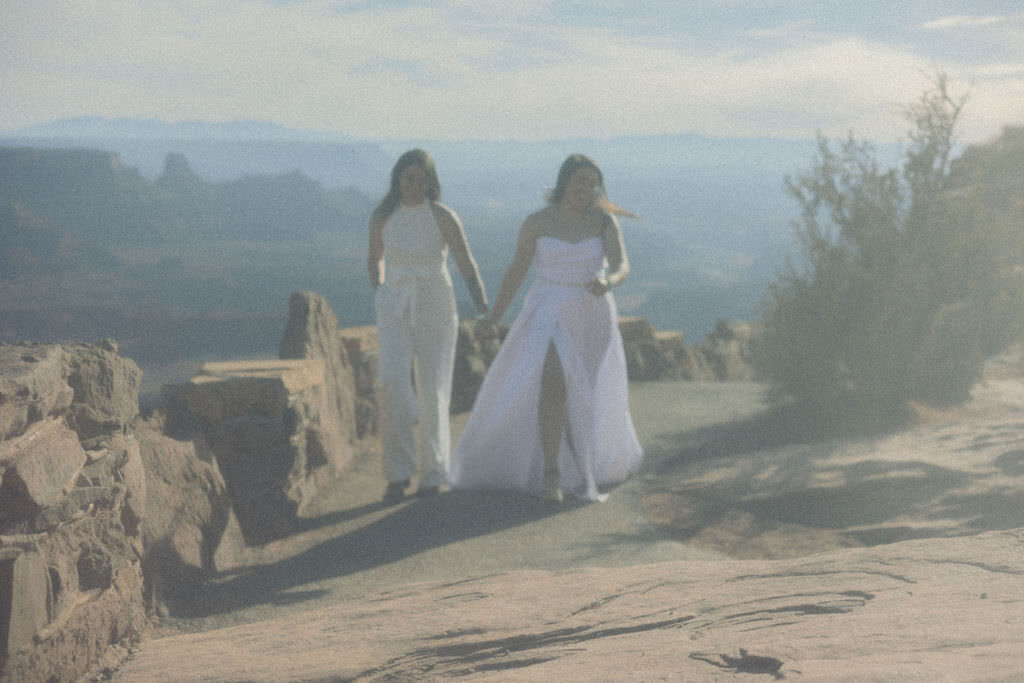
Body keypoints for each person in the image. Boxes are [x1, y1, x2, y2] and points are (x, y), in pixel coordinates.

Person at [450, 154, 642, 502]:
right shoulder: (537, 222)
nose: (586, 188)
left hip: (591, 311)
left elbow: (622, 263)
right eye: (579, 180)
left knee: (582, 390)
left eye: (592, 182)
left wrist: (609, 280)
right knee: (553, 382)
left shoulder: (603, 221)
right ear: (563, 182)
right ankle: (551, 471)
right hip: (547, 308)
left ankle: (581, 463)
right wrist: (495, 316)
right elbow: (517, 270)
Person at [369, 149, 489, 503]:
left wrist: (483, 308)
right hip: (395, 303)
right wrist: (380, 293)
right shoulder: (383, 216)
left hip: (435, 300)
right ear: (398, 179)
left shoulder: (442, 216)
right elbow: (373, 257)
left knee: (433, 385)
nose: (415, 184)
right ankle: (397, 473)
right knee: (392, 384)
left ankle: (434, 472)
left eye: (422, 178)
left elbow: (467, 264)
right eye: (409, 177)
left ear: (431, 181)